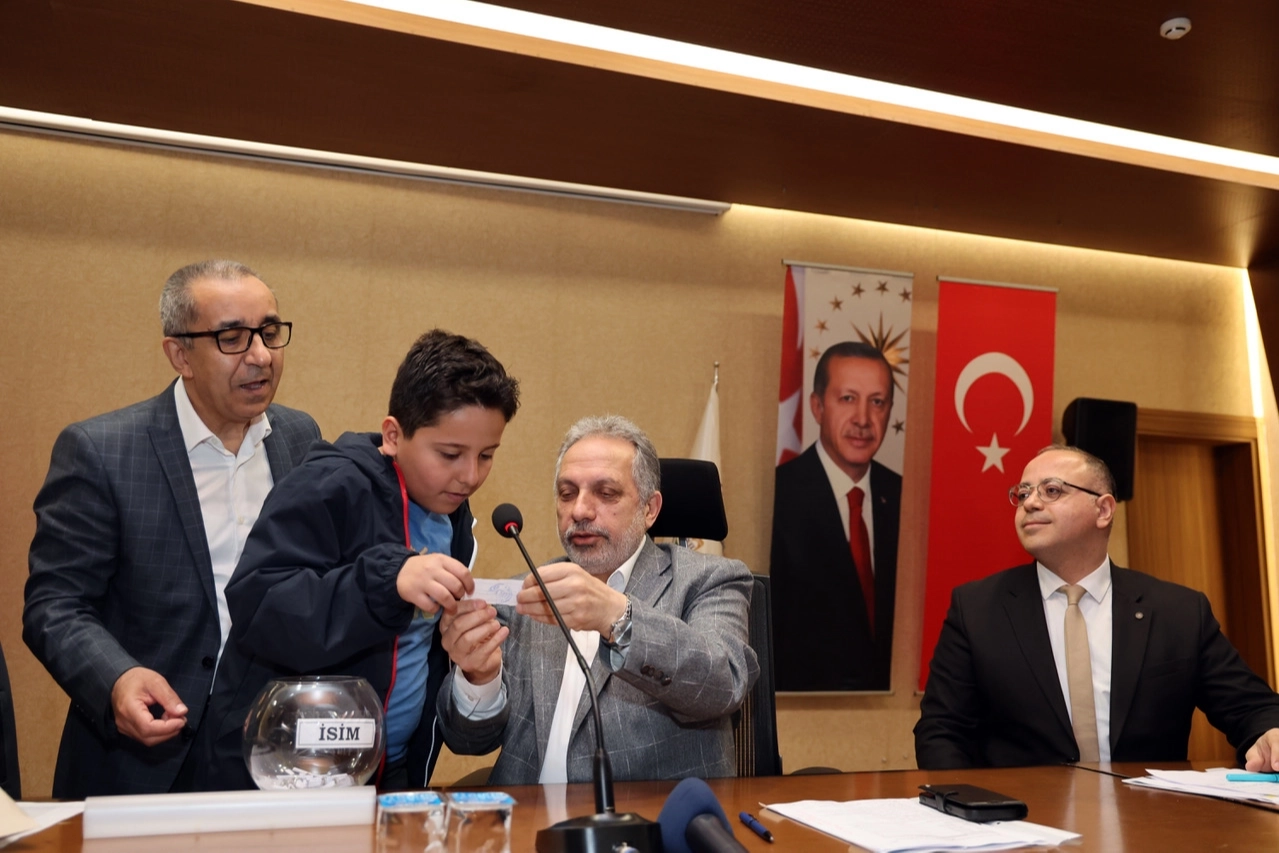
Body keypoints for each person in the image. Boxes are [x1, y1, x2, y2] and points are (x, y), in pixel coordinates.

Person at [23, 260, 320, 797]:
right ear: (180, 354)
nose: (260, 355)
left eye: (270, 332)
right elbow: (55, 606)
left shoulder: (300, 439)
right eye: (232, 338)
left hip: (271, 750)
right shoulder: (102, 451)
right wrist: (116, 678)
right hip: (145, 755)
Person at [198, 329, 520, 790]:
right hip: (288, 774)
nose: (470, 476)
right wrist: (387, 581)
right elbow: (258, 602)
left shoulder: (451, 513)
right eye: (450, 454)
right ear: (393, 435)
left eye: (486, 455)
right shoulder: (331, 484)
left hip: (390, 770)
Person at [436, 415, 759, 784]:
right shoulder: (524, 596)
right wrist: (480, 678)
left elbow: (722, 685)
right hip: (529, 813)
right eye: (567, 493)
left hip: (651, 814)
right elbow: (466, 740)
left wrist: (616, 616)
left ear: (649, 509)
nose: (580, 511)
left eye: (606, 494)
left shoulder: (708, 580)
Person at [914, 445, 1279, 770]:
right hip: (1022, 819)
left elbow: (1253, 708)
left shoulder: (1179, 612)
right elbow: (941, 730)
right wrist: (969, 809)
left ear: (1103, 509)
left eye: (1051, 490)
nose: (1030, 503)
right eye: (1023, 493)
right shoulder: (977, 609)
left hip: (1150, 818)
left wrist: (1269, 735)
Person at [770, 341, 901, 691]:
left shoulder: (905, 499)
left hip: (888, 708)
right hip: (803, 706)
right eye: (847, 398)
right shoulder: (777, 495)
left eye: (877, 402)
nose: (863, 419)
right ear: (817, 407)